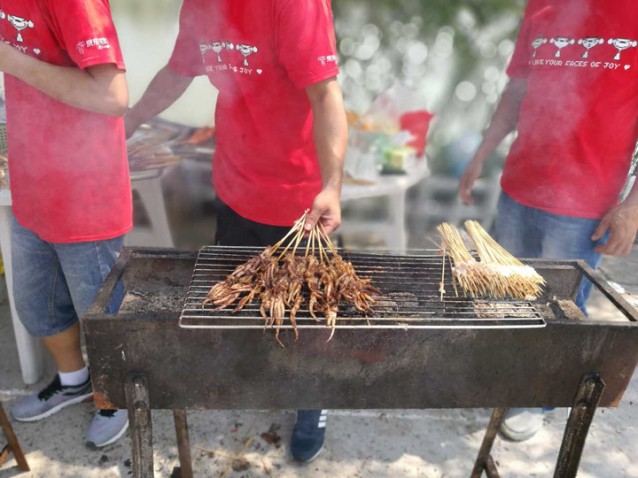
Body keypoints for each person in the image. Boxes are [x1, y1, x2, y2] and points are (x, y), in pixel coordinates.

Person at [125, 0, 347, 463]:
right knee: (246, 297)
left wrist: (331, 186)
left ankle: (312, 402)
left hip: (298, 200)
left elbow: (326, 95)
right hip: (235, 186)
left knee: (311, 311)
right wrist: (128, 119)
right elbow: (177, 70)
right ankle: (263, 372)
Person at [459, 0, 638, 441]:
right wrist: (483, 150)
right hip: (518, 186)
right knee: (504, 292)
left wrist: (633, 205)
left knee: (557, 309)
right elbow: (517, 89)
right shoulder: (541, 5)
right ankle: (501, 377)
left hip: (586, 205)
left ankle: (536, 399)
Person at [1, 0, 132, 448]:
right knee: (37, 304)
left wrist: (11, 61)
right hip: (32, 183)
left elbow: (113, 96)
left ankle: (114, 400)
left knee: (101, 317)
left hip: (87, 195)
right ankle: (73, 380)